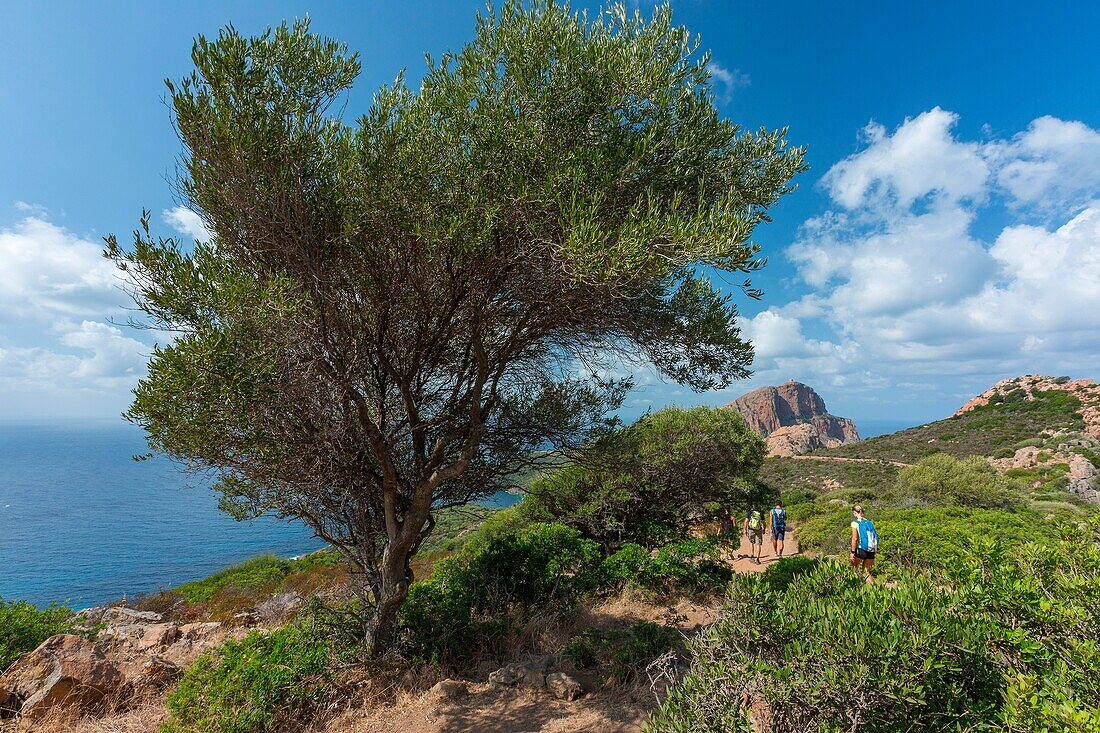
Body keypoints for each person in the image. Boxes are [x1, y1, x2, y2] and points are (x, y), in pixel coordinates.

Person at [850, 504, 878, 584]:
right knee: (867, 572)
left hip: (862, 549)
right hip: (871, 549)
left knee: (853, 567)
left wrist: (852, 552)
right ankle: (874, 592)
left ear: (855, 513)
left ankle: (855, 586)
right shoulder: (869, 522)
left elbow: (854, 539)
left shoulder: (855, 523)